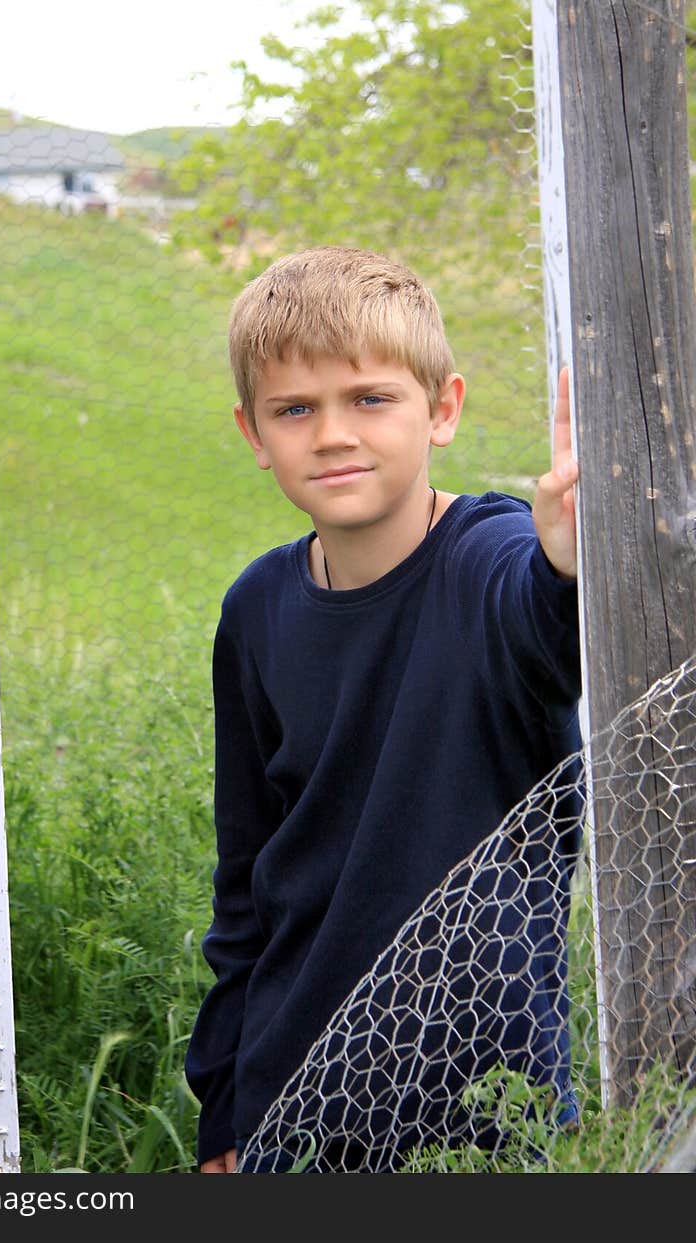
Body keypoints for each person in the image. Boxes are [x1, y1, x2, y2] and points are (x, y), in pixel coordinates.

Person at [184, 245, 582, 1173]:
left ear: (441, 408)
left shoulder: (491, 556)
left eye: (370, 398)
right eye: (295, 409)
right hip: (297, 1097)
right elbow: (245, 879)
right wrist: (225, 1114)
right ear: (254, 434)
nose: (332, 434)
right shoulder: (256, 610)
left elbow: (547, 635)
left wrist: (566, 561)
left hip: (487, 1104)